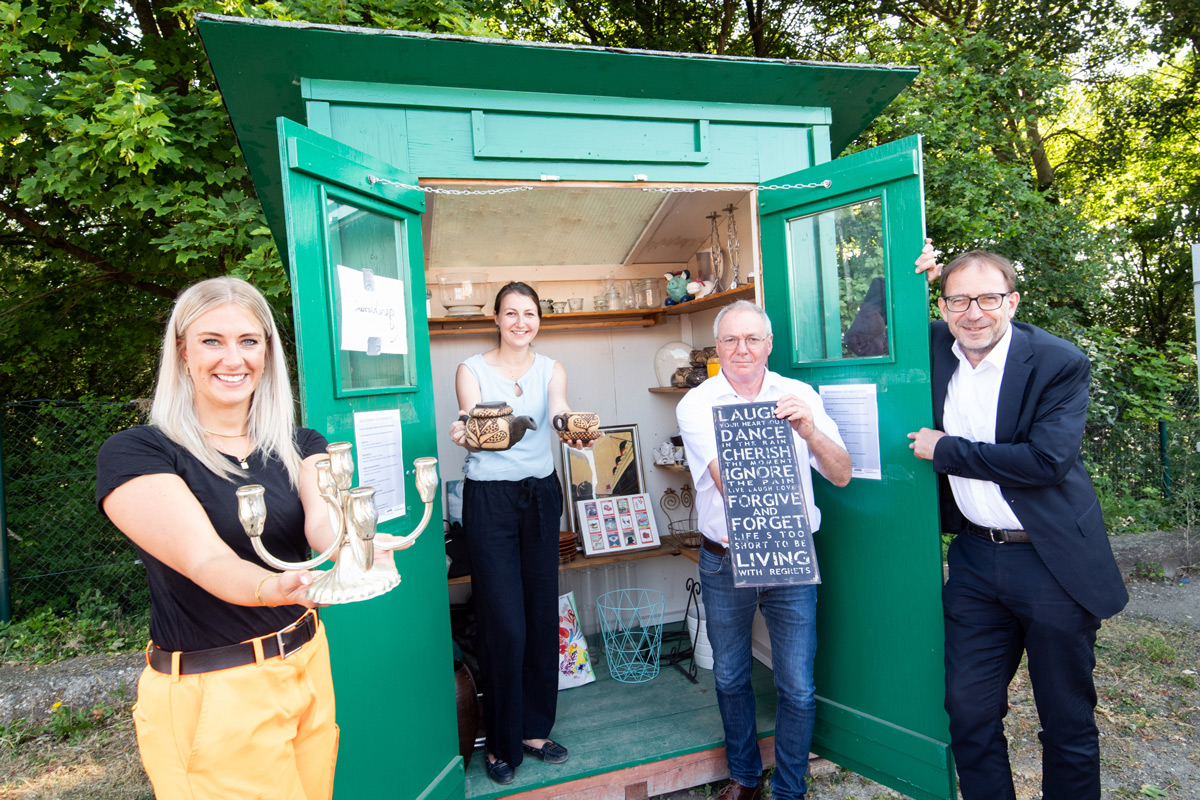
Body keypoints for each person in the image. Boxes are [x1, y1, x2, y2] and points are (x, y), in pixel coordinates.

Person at [96, 276, 403, 799]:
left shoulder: (300, 442)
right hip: (217, 690)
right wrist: (270, 587)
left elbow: (320, 525)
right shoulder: (138, 452)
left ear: (268, 352)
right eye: (211, 341)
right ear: (183, 352)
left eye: (248, 341)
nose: (232, 359)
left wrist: (357, 540)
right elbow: (204, 558)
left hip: (306, 662)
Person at [908, 246, 1128, 799]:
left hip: (1051, 560)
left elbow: (1045, 462)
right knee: (967, 710)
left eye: (987, 298)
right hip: (977, 562)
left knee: (1066, 718)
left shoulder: (1057, 361)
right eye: (958, 299)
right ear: (943, 304)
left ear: (1012, 301)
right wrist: (905, 279)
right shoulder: (933, 346)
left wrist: (947, 450)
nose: (973, 312)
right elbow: (868, 336)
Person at [676, 300, 852, 800]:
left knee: (796, 685)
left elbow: (841, 474)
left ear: (769, 344)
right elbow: (731, 487)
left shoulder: (800, 395)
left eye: (753, 338)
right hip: (726, 555)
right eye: (730, 340)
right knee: (731, 675)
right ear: (717, 348)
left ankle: (790, 789)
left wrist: (808, 430)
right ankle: (745, 777)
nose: (742, 349)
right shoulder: (697, 404)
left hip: (792, 555)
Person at [447, 281, 588, 785]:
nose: (521, 322)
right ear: (497, 318)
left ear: (538, 320)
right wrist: (465, 428)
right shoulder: (472, 368)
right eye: (511, 313)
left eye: (529, 314)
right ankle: (501, 742)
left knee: (539, 611)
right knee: (504, 621)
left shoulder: (552, 368)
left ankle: (533, 729)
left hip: (540, 496)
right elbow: (469, 418)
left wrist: (573, 425)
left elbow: (558, 410)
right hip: (491, 500)